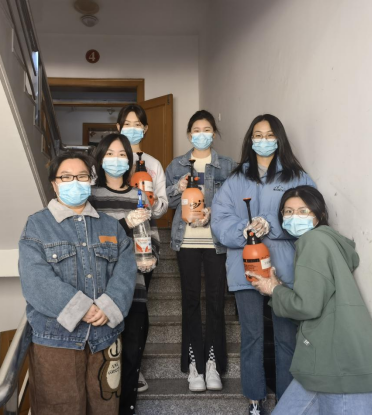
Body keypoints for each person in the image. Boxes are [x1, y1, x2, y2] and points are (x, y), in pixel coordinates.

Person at [249, 185, 372, 414]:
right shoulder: (326, 242)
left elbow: (307, 306)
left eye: (303, 211)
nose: (294, 216)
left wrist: (274, 289)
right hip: (324, 366)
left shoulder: (313, 241)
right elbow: (316, 302)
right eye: (288, 211)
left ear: (320, 215)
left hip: (344, 372)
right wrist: (277, 289)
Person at [211, 114, 316, 414]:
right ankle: (255, 401)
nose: (263, 140)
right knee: (252, 337)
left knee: (286, 339)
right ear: (250, 140)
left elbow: (310, 215)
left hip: (284, 271)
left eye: (269, 135)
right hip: (245, 269)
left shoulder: (297, 177)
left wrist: (271, 223)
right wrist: (243, 230)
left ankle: (286, 402)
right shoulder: (236, 179)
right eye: (258, 135)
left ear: (279, 139)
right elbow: (219, 219)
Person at [19, 151, 137, 415]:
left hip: (105, 339)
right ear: (54, 184)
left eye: (82, 176)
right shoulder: (37, 225)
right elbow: (35, 279)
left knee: (105, 408)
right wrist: (81, 308)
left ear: (90, 181)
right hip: (55, 342)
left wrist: (109, 306)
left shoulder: (111, 226)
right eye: (66, 177)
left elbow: (126, 269)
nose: (75, 182)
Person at [165, 110, 237, 392]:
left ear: (214, 133)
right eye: (196, 130)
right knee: (191, 301)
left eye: (207, 129)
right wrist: (178, 187)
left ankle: (213, 364)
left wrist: (213, 213)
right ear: (188, 134)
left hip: (216, 242)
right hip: (186, 242)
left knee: (216, 302)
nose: (202, 134)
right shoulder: (177, 165)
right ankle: (194, 365)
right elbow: (167, 204)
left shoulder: (228, 166)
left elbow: (233, 203)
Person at [89, 133, 160, 415]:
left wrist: (152, 257)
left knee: (131, 360)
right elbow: (92, 240)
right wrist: (124, 223)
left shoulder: (139, 196)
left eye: (121, 155)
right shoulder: (90, 196)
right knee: (101, 366)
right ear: (99, 158)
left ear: (129, 160)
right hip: (99, 293)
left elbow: (153, 236)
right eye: (110, 154)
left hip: (134, 289)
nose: (116, 160)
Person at [116, 103, 168, 392]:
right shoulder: (111, 159)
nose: (132, 128)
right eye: (127, 123)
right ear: (118, 128)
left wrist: (152, 203)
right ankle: (114, 364)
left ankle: (134, 368)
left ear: (145, 128)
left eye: (137, 124)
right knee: (114, 302)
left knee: (138, 303)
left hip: (143, 241)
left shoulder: (154, 164)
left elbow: (162, 206)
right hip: (114, 239)